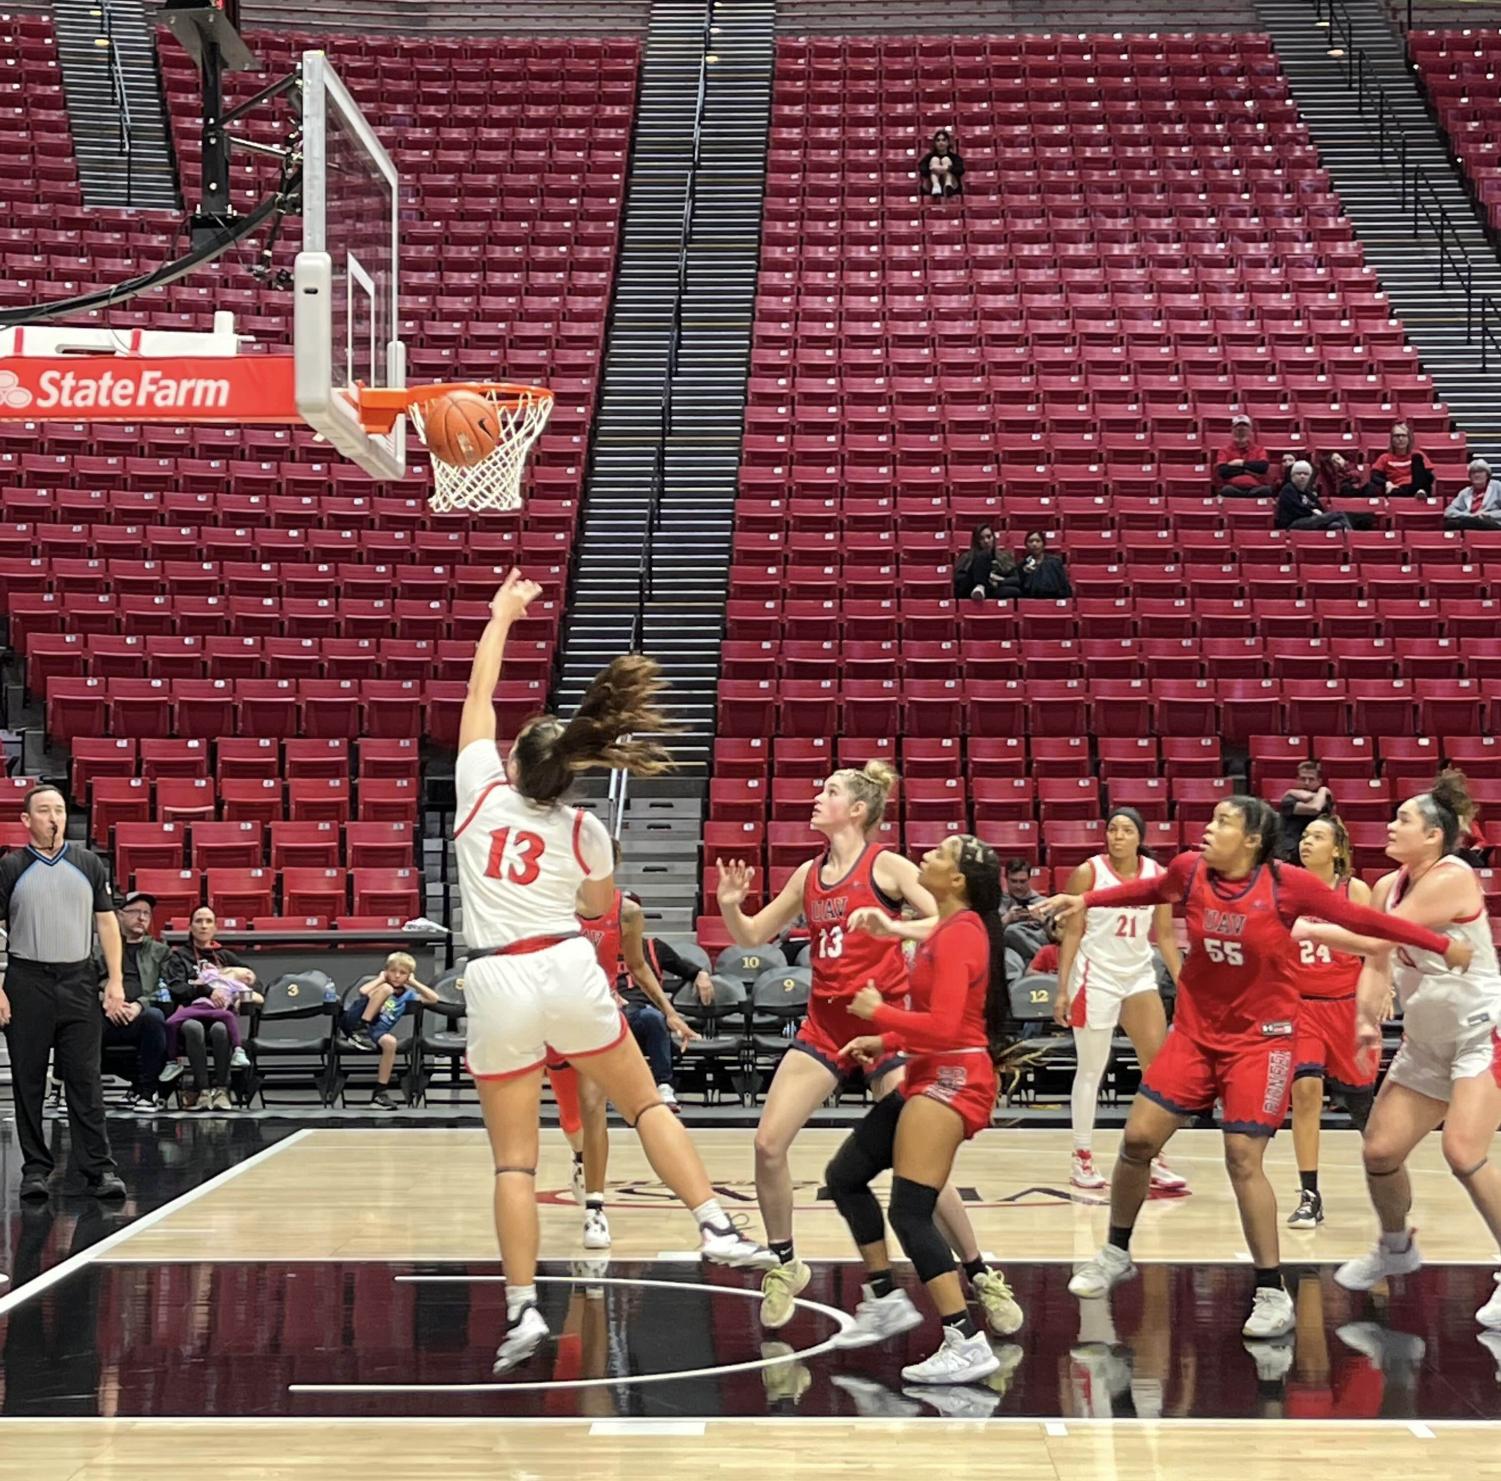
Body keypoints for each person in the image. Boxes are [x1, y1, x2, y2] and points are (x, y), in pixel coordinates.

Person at [453, 571, 770, 1376]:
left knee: (514, 1163)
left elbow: (479, 695)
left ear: (514, 764)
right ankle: (713, 1223)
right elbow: (597, 902)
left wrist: (501, 616)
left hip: (494, 979)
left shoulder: (478, 794)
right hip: (563, 962)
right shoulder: (586, 828)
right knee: (639, 1100)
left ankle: (523, 1307)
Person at [1037, 796, 1470, 1340]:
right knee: (1137, 1141)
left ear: (1251, 841)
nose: (1207, 827)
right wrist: (1088, 901)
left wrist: (1439, 944)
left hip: (1260, 1042)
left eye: (1222, 822)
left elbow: (1364, 920)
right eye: (1211, 816)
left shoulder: (1289, 885)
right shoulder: (1188, 870)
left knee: (1243, 1158)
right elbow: (1153, 890)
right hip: (1196, 1034)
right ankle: (1115, 1252)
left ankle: (1271, 1288)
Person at [716, 764, 1015, 1336]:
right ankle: (785, 1263)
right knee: (768, 1142)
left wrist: (892, 930)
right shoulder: (808, 873)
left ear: (856, 809)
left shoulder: (888, 866)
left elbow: (954, 922)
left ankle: (979, 1271)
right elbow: (753, 937)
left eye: (828, 791)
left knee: (920, 1163)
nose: (814, 794)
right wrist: (732, 905)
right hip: (826, 1026)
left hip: (892, 1024)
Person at [824, 835, 1025, 1384]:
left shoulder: (962, 936)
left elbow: (944, 1026)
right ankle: (886, 1297)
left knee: (911, 1210)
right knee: (844, 1176)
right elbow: (937, 1024)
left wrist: (880, 1013)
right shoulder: (949, 929)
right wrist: (884, 1043)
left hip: (954, 1078)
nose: (926, 858)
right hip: (928, 1070)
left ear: (956, 880)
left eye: (938, 855)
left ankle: (964, 1339)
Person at [1314, 774, 1501, 1331]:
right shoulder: (1389, 884)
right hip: (1426, 1041)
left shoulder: (1453, 877)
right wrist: (1367, 1019)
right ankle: (1396, 1247)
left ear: (1435, 837)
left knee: (1463, 1152)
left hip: (1479, 1032)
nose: (1390, 827)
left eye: (1403, 821)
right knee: (1379, 1152)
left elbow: (1379, 938)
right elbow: (1379, 962)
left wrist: (1304, 927)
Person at [0, 785, 126, 1201]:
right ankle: (36, 1169)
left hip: (78, 980)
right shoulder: (11, 867)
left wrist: (116, 980)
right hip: (26, 981)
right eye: (43, 810)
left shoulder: (88, 863)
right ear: (26, 820)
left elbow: (107, 923)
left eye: (58, 809)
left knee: (85, 1079)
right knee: (28, 1080)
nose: (53, 817)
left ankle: (99, 1170)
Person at [1050, 808, 1185, 1193]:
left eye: (1126, 830)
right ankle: (1082, 1156)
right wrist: (1062, 989)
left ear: (1140, 837)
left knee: (1157, 1069)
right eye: (1112, 829)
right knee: (1092, 1068)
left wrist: (1183, 983)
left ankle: (1153, 1154)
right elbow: (1072, 933)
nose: (1117, 836)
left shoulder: (1157, 876)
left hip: (1138, 974)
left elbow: (1165, 935)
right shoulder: (1089, 872)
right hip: (1096, 976)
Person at [1285, 816, 1379, 1230]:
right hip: (1299, 1008)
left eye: (1317, 837)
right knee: (1305, 1092)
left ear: (1337, 849)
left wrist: (1382, 993)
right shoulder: (1285, 891)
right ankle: (1310, 1194)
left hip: (1346, 1007)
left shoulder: (1355, 891)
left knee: (1363, 1107)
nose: (1307, 842)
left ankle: (1387, 1172)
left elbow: (1379, 946)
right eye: (1304, 836)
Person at [162, 905, 260, 1112]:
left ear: (215, 927)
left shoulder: (225, 956)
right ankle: (203, 1090)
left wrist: (242, 995)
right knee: (192, 1028)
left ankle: (223, 1090)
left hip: (221, 1014)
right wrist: (206, 991)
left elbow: (254, 983)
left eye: (208, 921)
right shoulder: (180, 957)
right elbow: (176, 987)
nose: (203, 926)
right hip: (192, 1012)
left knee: (220, 1030)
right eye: (198, 921)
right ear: (190, 927)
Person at [95, 890, 169, 1111]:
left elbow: (166, 989)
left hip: (142, 1016)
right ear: (119, 915)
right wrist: (106, 1002)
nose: (142, 917)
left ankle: (147, 1092)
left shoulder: (161, 952)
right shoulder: (101, 951)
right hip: (107, 1013)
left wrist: (140, 1005)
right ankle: (84, 1094)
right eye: (136, 912)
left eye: (146, 913)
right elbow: (85, 986)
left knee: (155, 1017)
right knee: (81, 1024)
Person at [339, 951, 439, 1110]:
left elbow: (433, 999)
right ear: (386, 971)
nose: (397, 976)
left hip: (375, 1030)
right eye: (393, 971)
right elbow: (363, 991)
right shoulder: (381, 985)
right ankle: (360, 1029)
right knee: (387, 989)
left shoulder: (408, 995)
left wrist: (414, 983)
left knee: (390, 1042)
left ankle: (380, 1093)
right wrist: (381, 978)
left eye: (403, 973)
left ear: (409, 976)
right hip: (354, 1021)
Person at [1279, 758, 1335, 863]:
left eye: (1311, 779)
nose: (1306, 782)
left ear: (1319, 781)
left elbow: (1318, 805)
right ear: (1297, 779)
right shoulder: (1289, 800)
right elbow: (1315, 808)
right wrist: (1323, 791)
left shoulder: (1323, 798)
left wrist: (1290, 791)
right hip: (1292, 851)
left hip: (1317, 850)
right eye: (1302, 779)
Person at [999, 855, 1048, 963]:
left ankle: (1045, 960)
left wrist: (1043, 920)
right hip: (1009, 955)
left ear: (1029, 879)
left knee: (1012, 931)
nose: (1018, 886)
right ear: (1006, 879)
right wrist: (1006, 919)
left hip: (1036, 947)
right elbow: (987, 934)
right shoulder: (998, 902)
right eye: (1014, 881)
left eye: (1022, 881)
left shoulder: (1042, 902)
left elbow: (1057, 934)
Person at [953, 523, 1019, 603]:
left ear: (993, 538)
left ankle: (982, 587)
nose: (986, 541)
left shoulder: (1005, 556)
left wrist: (998, 580)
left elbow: (1016, 579)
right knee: (983, 555)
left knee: (1015, 591)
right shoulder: (966, 557)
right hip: (971, 589)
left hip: (993, 587)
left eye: (989, 537)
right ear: (976, 541)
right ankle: (980, 586)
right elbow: (959, 580)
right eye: (981, 538)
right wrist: (978, 576)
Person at [1214, 414, 1274, 498]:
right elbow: (1224, 471)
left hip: (1256, 489)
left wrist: (1241, 463)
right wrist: (1248, 470)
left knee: (1267, 490)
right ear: (1233, 430)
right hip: (1232, 489)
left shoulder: (1259, 449)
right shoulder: (1224, 450)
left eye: (1244, 427)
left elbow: (1262, 467)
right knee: (1226, 490)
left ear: (1250, 430)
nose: (1241, 430)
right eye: (1237, 427)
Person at [1368, 422, 1433, 498]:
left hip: (1417, 488)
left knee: (1417, 457)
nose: (1400, 439)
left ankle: (1420, 491)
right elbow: (1374, 476)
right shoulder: (1384, 457)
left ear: (1409, 438)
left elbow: (1429, 476)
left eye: (1404, 436)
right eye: (1397, 436)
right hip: (1397, 489)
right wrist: (1387, 483)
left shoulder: (1418, 455)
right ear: (1392, 439)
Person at [1444, 458, 1501, 531]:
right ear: (1469, 477)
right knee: (1449, 523)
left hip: (1492, 523)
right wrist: (1470, 515)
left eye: (1480, 472)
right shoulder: (1465, 492)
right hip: (1470, 521)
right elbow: (1449, 511)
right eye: (1473, 473)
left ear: (1487, 475)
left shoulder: (1497, 487)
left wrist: (1486, 514)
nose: (1477, 475)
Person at [1018, 529, 1072, 598]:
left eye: (1038, 541)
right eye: (1031, 541)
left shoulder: (1054, 562)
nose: (1034, 544)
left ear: (1043, 544)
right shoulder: (1022, 565)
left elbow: (1063, 586)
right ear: (1026, 545)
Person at [917, 127, 963, 197]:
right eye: (938, 140)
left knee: (946, 160)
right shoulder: (929, 157)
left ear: (948, 142)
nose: (941, 142)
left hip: (952, 185)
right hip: (931, 185)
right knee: (934, 160)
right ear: (935, 143)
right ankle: (936, 186)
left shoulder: (955, 157)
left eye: (943, 140)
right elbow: (922, 170)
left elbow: (960, 170)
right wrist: (934, 168)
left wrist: (947, 168)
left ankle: (948, 186)